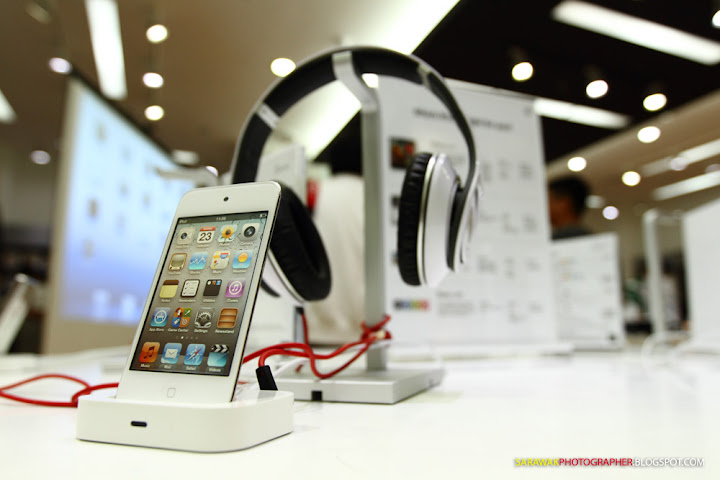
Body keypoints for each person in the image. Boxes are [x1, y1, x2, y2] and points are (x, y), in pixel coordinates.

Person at [547, 175, 592, 240]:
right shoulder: (587, 235)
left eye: (550, 200)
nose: (546, 207)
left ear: (564, 203)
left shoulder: (563, 238)